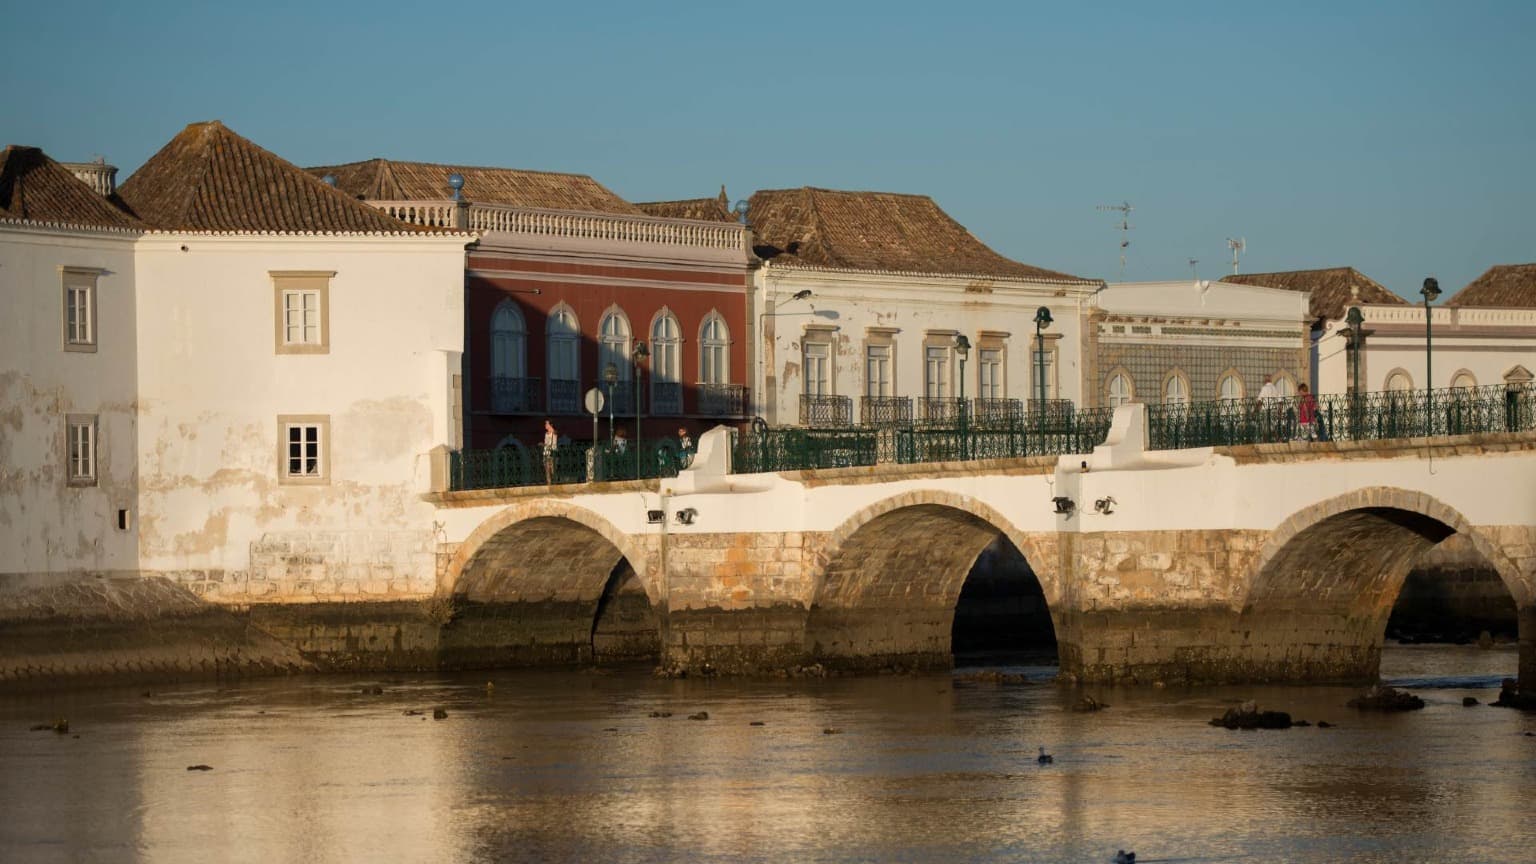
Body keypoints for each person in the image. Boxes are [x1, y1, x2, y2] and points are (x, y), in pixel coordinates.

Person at [541, 419, 558, 485]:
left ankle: (555, 484)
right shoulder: (546, 434)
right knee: (547, 471)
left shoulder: (554, 432)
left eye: (547, 424)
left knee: (553, 471)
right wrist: (543, 445)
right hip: (546, 453)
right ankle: (549, 485)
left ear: (551, 425)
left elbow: (553, 443)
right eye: (545, 424)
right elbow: (546, 443)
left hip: (552, 453)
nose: (545, 425)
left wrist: (545, 445)